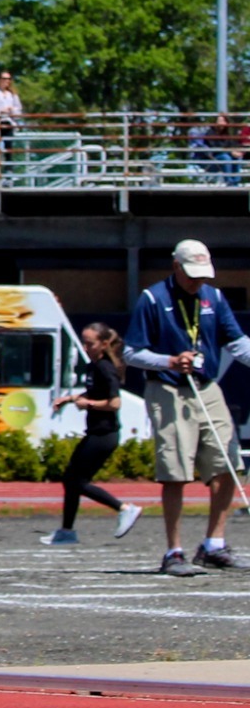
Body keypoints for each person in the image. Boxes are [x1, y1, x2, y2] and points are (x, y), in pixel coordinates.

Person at [123, 239, 250, 576]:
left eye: (203, 275)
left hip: (207, 387)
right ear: (175, 267)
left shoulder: (215, 297)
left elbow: (236, 342)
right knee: (175, 472)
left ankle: (214, 546)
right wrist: (169, 360)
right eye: (192, 274)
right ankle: (173, 552)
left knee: (228, 463)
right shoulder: (153, 298)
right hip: (168, 388)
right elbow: (131, 353)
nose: (198, 281)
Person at [40, 323, 144, 546]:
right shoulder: (94, 366)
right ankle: (66, 531)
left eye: (90, 343)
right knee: (70, 479)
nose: (86, 347)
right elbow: (96, 391)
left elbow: (114, 402)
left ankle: (125, 508)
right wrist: (69, 399)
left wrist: (89, 404)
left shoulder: (106, 368)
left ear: (104, 344)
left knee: (76, 480)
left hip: (104, 435)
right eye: (84, 342)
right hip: (95, 432)